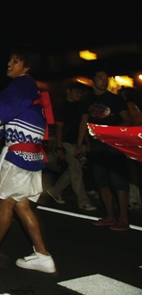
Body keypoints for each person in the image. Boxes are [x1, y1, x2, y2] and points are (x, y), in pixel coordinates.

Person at [0, 46, 56, 274]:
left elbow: (3, 104)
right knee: (21, 205)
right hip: (28, 155)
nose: (9, 64)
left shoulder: (22, 84)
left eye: (14, 61)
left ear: (26, 67)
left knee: (5, 203)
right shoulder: (28, 93)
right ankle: (43, 255)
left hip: (19, 156)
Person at [76, 71, 132, 230]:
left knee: (118, 181)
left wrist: (113, 132)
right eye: (99, 78)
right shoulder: (87, 99)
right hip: (97, 145)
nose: (103, 81)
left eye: (105, 78)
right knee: (101, 182)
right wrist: (80, 144)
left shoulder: (115, 99)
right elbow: (83, 122)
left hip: (114, 145)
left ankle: (123, 219)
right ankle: (109, 216)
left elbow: (128, 120)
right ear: (93, 81)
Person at [46, 82, 96, 211]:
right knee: (76, 173)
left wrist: (87, 143)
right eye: (76, 92)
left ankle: (55, 190)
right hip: (68, 143)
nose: (79, 95)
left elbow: (83, 127)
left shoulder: (80, 106)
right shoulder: (62, 107)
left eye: (81, 92)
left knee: (73, 170)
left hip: (79, 143)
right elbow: (59, 129)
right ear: (69, 91)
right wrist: (59, 148)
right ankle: (83, 202)